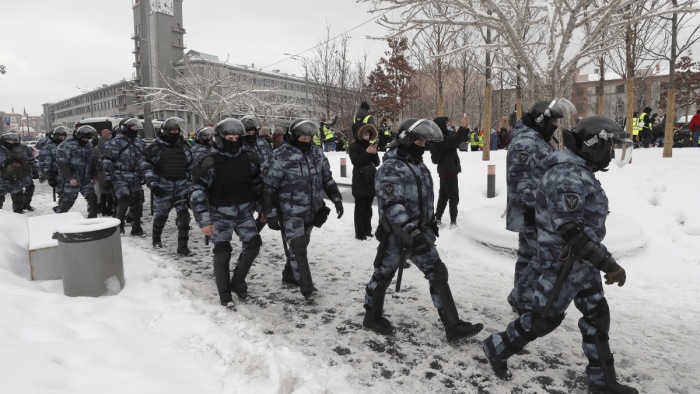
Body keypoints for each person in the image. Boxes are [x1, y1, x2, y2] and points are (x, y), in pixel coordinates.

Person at [482, 116, 638, 394]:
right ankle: (496, 347)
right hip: (563, 264)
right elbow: (571, 230)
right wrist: (608, 263)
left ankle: (603, 383)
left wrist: (596, 260)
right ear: (592, 146)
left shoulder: (580, 170)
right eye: (608, 146)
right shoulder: (567, 175)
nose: (611, 153)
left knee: (596, 316)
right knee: (543, 320)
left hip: (582, 263)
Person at [363, 118, 483, 341]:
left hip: (419, 234)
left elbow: (423, 198)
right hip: (397, 236)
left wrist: (429, 223)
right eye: (418, 139)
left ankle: (453, 326)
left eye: (425, 140)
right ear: (405, 139)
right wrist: (411, 231)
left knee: (437, 272)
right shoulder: (391, 167)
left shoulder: (418, 165)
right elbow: (391, 205)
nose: (422, 144)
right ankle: (371, 316)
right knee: (382, 275)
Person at [505, 98, 577, 315]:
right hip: (532, 212)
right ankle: (521, 297)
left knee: (528, 257)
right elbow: (519, 175)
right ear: (541, 119)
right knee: (546, 255)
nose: (556, 125)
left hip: (534, 211)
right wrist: (531, 206)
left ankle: (523, 300)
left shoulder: (536, 138)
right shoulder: (527, 141)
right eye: (553, 121)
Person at [262, 118, 344, 301]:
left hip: (311, 209)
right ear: (293, 136)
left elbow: (327, 179)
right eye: (303, 138)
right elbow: (268, 187)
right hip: (290, 211)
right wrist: (271, 213)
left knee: (303, 242)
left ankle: (289, 274)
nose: (306, 141)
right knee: (298, 247)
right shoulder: (279, 156)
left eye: (309, 138)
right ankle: (307, 289)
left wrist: (337, 199)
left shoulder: (317, 153)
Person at [190, 118, 263, 309]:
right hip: (219, 214)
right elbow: (197, 191)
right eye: (229, 137)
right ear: (220, 138)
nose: (233, 140)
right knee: (222, 253)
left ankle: (238, 281)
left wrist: (263, 208)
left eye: (237, 137)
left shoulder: (248, 157)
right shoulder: (210, 162)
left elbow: (258, 185)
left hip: (245, 212)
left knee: (253, 245)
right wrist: (204, 220)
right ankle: (225, 295)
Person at [141, 117, 196, 256]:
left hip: (181, 189)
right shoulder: (156, 148)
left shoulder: (184, 148)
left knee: (184, 217)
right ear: (165, 132)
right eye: (172, 131)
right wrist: (153, 185)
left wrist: (193, 184)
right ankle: (156, 239)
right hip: (162, 189)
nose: (174, 133)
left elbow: (192, 167)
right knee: (161, 216)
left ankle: (183, 247)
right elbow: (146, 167)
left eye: (177, 131)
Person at [102, 118, 146, 235]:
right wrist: (108, 178)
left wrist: (144, 174)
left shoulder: (139, 142)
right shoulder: (114, 143)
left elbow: (143, 160)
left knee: (137, 202)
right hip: (120, 176)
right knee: (123, 201)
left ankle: (136, 227)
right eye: (133, 128)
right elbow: (107, 161)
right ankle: (119, 226)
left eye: (137, 128)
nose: (135, 130)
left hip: (135, 176)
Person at [430, 115, 470, 228]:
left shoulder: (444, 136)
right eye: (446, 124)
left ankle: (437, 218)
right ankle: (453, 221)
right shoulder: (441, 138)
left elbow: (459, 139)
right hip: (448, 171)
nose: (448, 125)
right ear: (441, 126)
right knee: (453, 196)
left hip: (446, 171)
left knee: (443, 195)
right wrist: (462, 127)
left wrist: (465, 128)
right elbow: (455, 140)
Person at [54, 126, 99, 217]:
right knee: (68, 203)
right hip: (71, 179)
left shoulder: (88, 145)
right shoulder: (66, 145)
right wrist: (70, 177)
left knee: (92, 198)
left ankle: (92, 220)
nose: (86, 140)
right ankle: (58, 216)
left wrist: (94, 176)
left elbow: (92, 162)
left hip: (85, 179)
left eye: (87, 139)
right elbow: (62, 163)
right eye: (84, 138)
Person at [241, 115, 272, 232]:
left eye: (253, 132)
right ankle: (250, 237)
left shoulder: (263, 143)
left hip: (264, 185)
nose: (251, 135)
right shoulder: (239, 146)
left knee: (266, 214)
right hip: (247, 186)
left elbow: (271, 158)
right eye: (247, 133)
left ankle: (255, 232)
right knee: (245, 217)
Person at [349, 123, 380, 240]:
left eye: (368, 133)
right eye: (365, 133)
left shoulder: (371, 145)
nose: (367, 136)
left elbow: (377, 163)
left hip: (370, 179)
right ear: (359, 134)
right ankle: (360, 233)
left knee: (368, 208)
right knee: (360, 208)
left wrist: (374, 152)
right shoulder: (353, 146)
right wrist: (367, 152)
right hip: (359, 180)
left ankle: (368, 230)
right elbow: (356, 162)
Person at [0, 131, 39, 213]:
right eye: (9, 140)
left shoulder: (23, 148)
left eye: (13, 141)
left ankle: (19, 213)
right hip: (2, 178)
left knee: (18, 197)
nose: (11, 142)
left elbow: (31, 160)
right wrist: (4, 163)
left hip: (17, 177)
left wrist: (35, 171)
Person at [39, 126, 69, 210]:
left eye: (64, 137)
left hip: (66, 173)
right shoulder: (48, 147)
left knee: (68, 192)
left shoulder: (65, 145)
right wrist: (50, 177)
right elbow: (45, 163)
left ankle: (62, 208)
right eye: (60, 137)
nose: (62, 139)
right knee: (63, 192)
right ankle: (61, 209)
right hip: (55, 174)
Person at [94, 129, 114, 217]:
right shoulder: (111, 145)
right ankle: (110, 209)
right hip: (108, 169)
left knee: (102, 191)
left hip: (99, 171)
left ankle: (103, 209)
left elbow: (93, 160)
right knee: (110, 190)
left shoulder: (96, 147)